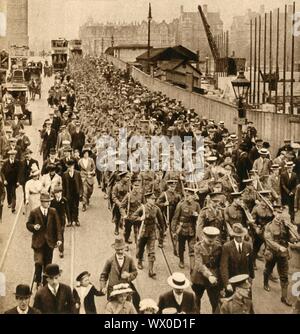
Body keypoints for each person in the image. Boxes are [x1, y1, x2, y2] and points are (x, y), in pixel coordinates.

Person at [263, 204, 297, 306]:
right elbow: (269, 240)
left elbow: (288, 237)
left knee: (284, 275)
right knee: (268, 269)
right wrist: (278, 247)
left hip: (282, 253)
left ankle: (284, 297)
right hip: (272, 252)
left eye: (280, 213)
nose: (278, 215)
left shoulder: (285, 224)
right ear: (273, 213)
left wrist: (293, 239)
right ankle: (265, 282)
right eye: (277, 212)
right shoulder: (268, 226)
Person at [26, 192, 62, 288]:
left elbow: (58, 226)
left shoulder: (53, 211)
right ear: (41, 202)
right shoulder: (34, 212)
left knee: (47, 265)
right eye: (46, 202)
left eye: (49, 202)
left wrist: (59, 239)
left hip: (49, 243)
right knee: (38, 263)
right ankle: (38, 282)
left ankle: (46, 284)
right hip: (38, 243)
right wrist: (34, 226)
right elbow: (28, 224)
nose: (48, 204)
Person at [100, 237, 139, 310]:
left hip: (125, 291)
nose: (120, 251)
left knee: (126, 308)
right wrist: (103, 287)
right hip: (113, 291)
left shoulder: (129, 259)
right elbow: (103, 275)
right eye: (118, 250)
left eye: (122, 249)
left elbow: (135, 272)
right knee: (113, 308)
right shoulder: (110, 260)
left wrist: (129, 275)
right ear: (115, 249)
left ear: (124, 248)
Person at [133, 192, 165, 278]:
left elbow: (161, 220)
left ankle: (151, 270)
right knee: (141, 248)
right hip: (143, 231)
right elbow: (133, 217)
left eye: (154, 199)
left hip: (152, 231)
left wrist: (163, 230)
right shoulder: (142, 208)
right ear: (147, 200)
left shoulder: (156, 209)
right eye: (152, 199)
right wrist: (140, 218)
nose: (154, 200)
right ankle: (140, 260)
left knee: (151, 250)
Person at [191, 226, 222, 314]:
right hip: (199, 278)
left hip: (214, 280)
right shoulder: (198, 246)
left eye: (213, 239)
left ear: (216, 237)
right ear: (203, 236)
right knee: (196, 301)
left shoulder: (219, 246)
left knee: (216, 303)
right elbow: (199, 264)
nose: (210, 242)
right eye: (208, 239)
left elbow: (221, 263)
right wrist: (209, 276)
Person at [220, 223, 255, 296]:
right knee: (232, 303)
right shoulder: (227, 247)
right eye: (238, 237)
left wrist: (251, 277)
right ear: (234, 236)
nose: (240, 238)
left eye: (242, 236)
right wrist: (227, 283)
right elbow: (224, 266)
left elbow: (250, 263)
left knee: (246, 301)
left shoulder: (248, 246)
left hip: (244, 279)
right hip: (232, 280)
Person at [171, 188, 200, 270]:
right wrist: (173, 231)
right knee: (181, 246)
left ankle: (192, 266)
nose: (188, 197)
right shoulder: (180, 204)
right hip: (182, 228)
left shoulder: (196, 205)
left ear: (193, 196)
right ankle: (181, 261)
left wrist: (196, 215)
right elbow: (175, 218)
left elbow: (200, 218)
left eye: (190, 196)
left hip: (192, 229)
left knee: (192, 248)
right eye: (187, 196)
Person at [62, 159, 83, 227]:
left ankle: (76, 219)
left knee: (76, 207)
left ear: (73, 166)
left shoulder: (77, 173)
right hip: (68, 193)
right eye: (69, 167)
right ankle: (69, 220)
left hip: (75, 193)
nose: (70, 168)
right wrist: (63, 195)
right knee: (68, 207)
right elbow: (63, 185)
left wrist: (80, 193)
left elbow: (80, 184)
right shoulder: (65, 174)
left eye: (71, 166)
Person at [50, 185, 69, 257]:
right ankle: (55, 243)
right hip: (54, 221)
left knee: (61, 235)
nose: (58, 194)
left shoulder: (64, 200)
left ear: (61, 193)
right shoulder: (52, 202)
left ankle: (61, 250)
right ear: (54, 194)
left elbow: (67, 211)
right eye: (56, 193)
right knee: (55, 233)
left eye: (59, 192)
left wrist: (69, 220)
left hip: (62, 221)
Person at [1, 149, 21, 213]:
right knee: (9, 193)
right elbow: (2, 172)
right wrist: (4, 180)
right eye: (11, 155)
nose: (12, 156)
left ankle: (13, 208)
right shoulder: (6, 163)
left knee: (13, 194)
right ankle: (9, 202)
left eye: (13, 155)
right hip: (7, 182)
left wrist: (18, 181)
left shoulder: (17, 162)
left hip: (14, 182)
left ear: (15, 155)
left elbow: (19, 172)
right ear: (9, 155)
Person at [78, 145, 95, 212]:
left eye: (87, 153)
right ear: (83, 154)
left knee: (90, 191)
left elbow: (94, 168)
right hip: (83, 178)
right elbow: (79, 169)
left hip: (90, 177)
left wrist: (91, 173)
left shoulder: (91, 160)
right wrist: (81, 175)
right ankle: (84, 205)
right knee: (84, 191)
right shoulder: (80, 161)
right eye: (85, 153)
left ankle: (88, 198)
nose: (86, 154)